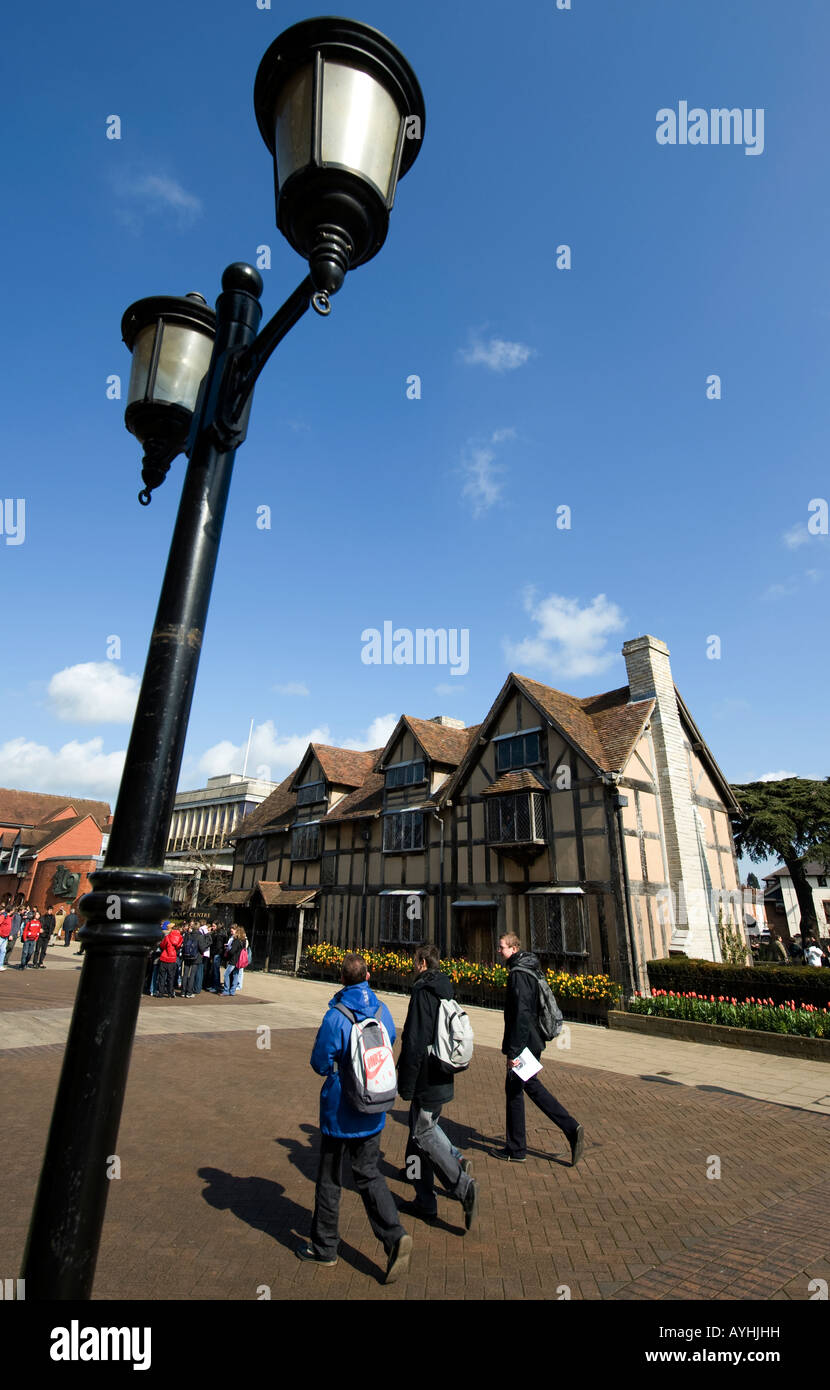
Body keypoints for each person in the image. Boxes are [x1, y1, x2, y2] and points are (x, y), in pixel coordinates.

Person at [296, 951, 412, 1282]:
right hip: (373, 1107)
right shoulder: (382, 1010)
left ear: (342, 978)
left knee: (330, 1178)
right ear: (369, 976)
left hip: (340, 1110)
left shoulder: (336, 1016)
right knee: (368, 1173)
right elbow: (388, 1042)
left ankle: (324, 1247)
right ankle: (394, 1235)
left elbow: (320, 1062)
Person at [396, 942, 477, 1229]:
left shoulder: (422, 992)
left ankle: (461, 1183)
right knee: (421, 1133)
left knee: (423, 1133)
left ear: (422, 963)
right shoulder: (444, 987)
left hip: (427, 1075)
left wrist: (405, 1083)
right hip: (441, 1072)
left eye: (414, 961)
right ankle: (425, 1199)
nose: (412, 966)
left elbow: (415, 1041)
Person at [495, 933, 584, 1166]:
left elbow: (521, 1014)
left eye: (502, 947)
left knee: (517, 1089)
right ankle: (567, 1128)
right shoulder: (529, 969)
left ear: (513, 949)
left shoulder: (519, 975)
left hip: (525, 1042)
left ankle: (518, 1148)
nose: (499, 951)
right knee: (528, 1085)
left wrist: (514, 1053)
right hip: (531, 1041)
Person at [157, 920, 183, 998]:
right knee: (171, 977)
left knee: (162, 977)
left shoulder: (168, 937)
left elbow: (162, 945)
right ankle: (170, 993)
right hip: (172, 958)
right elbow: (178, 947)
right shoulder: (180, 938)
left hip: (164, 957)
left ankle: (161, 993)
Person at [221, 925, 246, 996]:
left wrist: (228, 950)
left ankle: (226, 990)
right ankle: (232, 991)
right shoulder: (243, 941)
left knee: (226, 974)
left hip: (233, 960)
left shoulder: (236, 941)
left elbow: (232, 951)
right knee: (235, 975)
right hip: (238, 961)